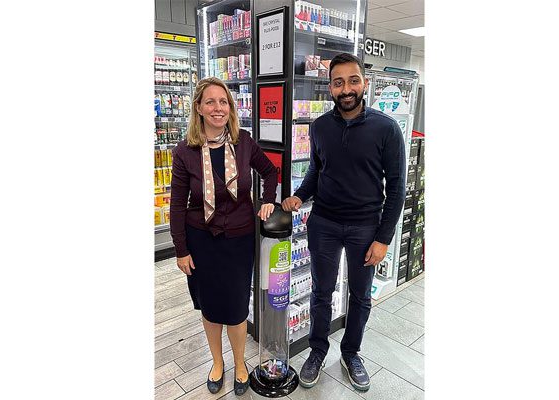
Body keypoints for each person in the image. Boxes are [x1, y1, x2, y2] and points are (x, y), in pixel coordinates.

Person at [281, 53, 406, 392]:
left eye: (353, 81)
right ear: (330, 87)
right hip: (323, 224)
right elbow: (315, 170)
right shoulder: (319, 126)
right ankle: (317, 350)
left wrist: (383, 238)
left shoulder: (386, 128)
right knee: (321, 292)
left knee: (360, 295)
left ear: (364, 83)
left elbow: (397, 187)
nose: (346, 88)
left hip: (366, 228)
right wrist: (299, 196)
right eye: (338, 82)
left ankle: (351, 353)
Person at [170, 77, 278, 396]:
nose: (218, 108)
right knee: (210, 307)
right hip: (201, 241)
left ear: (230, 108)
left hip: (240, 240)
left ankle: (240, 364)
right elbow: (177, 205)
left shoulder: (243, 141)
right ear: (199, 108)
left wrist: (268, 198)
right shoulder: (185, 152)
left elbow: (270, 172)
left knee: (235, 308)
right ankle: (217, 363)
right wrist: (180, 250)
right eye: (211, 102)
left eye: (224, 102)